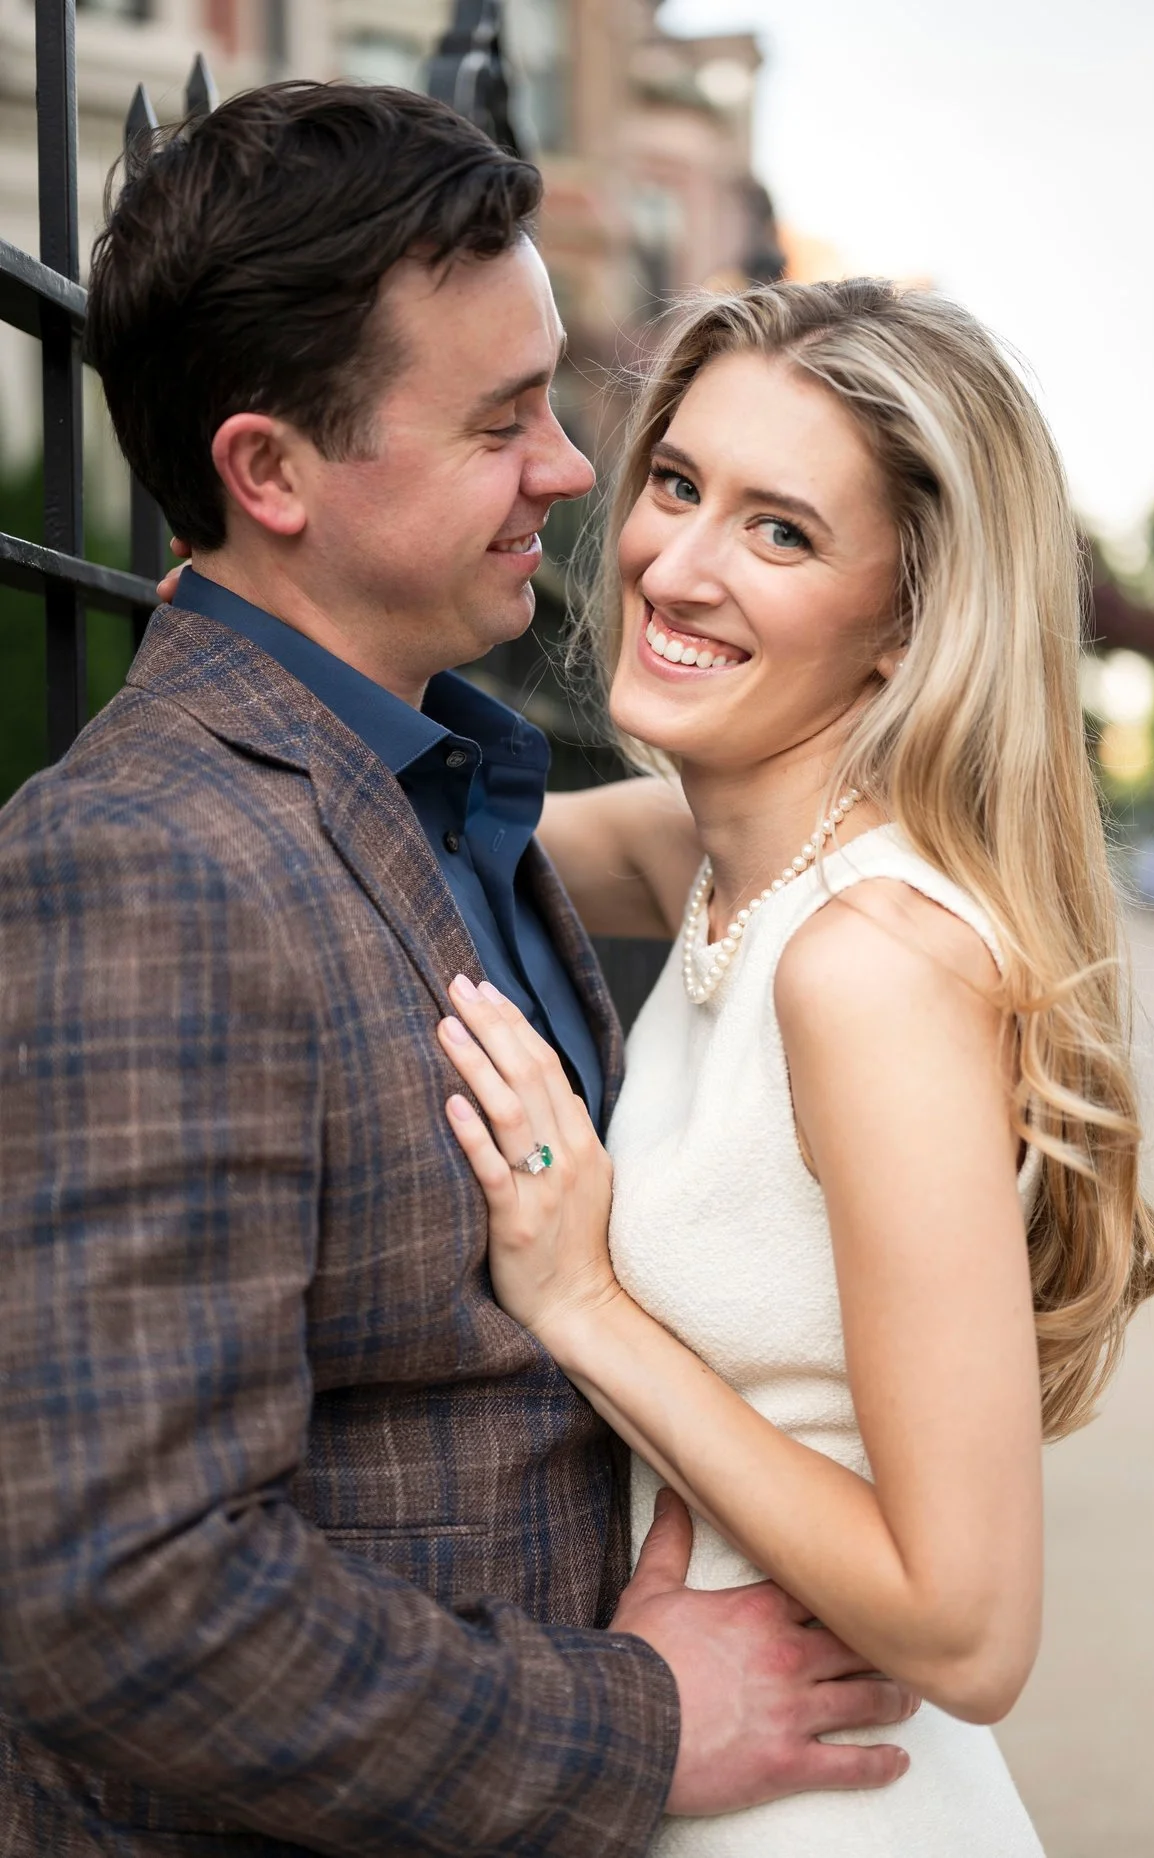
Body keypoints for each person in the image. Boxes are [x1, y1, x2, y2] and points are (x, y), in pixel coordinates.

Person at [0, 84, 914, 1853]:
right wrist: (633, 1723)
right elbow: (120, 1591)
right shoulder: (142, 866)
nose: (576, 474)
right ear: (271, 471)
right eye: (504, 422)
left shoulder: (438, 790)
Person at [425, 275, 1154, 1852]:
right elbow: (412, 835)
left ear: (907, 621)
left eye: (781, 532)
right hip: (701, 1763)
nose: (674, 566)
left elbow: (972, 1629)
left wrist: (586, 1309)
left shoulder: (869, 968)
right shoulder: (710, 863)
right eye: (680, 485)